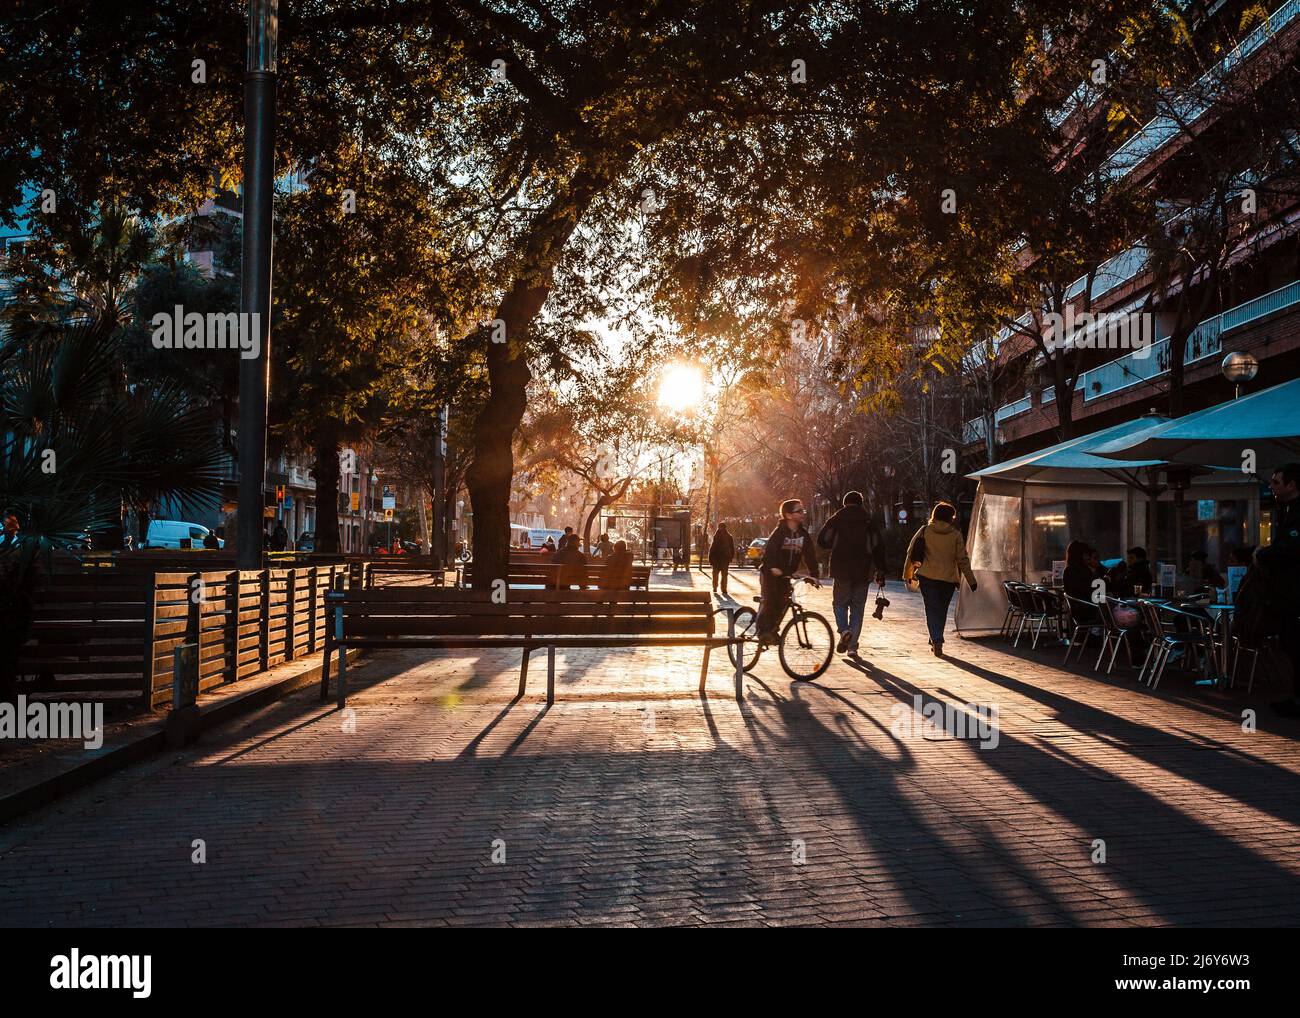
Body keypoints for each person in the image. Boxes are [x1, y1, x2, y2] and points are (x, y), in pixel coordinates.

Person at [817, 491, 887, 656]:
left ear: (844, 503)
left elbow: (822, 540)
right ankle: (852, 647)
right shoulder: (868, 521)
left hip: (841, 569)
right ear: (861, 503)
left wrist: (834, 547)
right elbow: (879, 547)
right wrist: (881, 570)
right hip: (863, 570)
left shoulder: (836, 519)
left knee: (839, 604)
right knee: (857, 608)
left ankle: (843, 631)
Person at [903, 502, 976, 657]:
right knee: (941, 610)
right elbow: (962, 559)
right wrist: (971, 580)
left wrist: (908, 574)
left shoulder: (925, 531)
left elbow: (911, 552)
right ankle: (936, 638)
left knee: (931, 609)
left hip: (927, 577)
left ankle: (936, 639)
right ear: (951, 517)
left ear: (934, 515)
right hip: (948, 580)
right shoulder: (956, 535)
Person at [1260, 464, 1300, 715]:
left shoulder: (1296, 514)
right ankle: (1295, 697)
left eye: (1276, 482)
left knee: (1295, 643)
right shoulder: (1285, 511)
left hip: (1294, 593)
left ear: (1291, 485)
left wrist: (1263, 554)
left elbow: (1290, 549)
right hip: (1287, 594)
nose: (1271, 486)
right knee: (1290, 644)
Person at [756, 499, 820, 643]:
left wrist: (814, 575)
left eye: (803, 510)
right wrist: (772, 567)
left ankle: (773, 630)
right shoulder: (779, 532)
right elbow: (769, 552)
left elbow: (810, 555)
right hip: (771, 573)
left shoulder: (803, 534)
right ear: (789, 515)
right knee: (771, 600)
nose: (803, 513)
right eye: (799, 511)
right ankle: (763, 631)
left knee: (784, 601)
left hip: (786, 574)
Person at [1062, 540, 1101, 625]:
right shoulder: (1074, 572)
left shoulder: (1072, 570)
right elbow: (1088, 591)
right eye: (1086, 555)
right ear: (1079, 556)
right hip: (1085, 610)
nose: (1088, 558)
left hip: (1083, 607)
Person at [708, 522, 735, 596]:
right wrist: (730, 557)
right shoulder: (728, 536)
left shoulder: (717, 536)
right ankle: (723, 589)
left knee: (716, 574)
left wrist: (710, 558)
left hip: (717, 559)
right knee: (723, 575)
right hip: (723, 559)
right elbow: (732, 549)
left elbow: (712, 548)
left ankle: (715, 587)